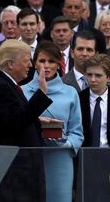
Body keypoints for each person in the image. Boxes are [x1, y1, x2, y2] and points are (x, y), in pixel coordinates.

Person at [0, 39, 53, 202]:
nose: (31, 66)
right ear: (11, 64)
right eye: (26, 61)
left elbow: (11, 118)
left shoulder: (5, 84)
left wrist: (37, 121)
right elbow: (16, 122)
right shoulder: (0, 87)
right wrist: (41, 93)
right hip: (11, 173)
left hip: (16, 171)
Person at [22, 41, 83, 202]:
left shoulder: (71, 93)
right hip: (30, 158)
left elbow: (77, 132)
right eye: (42, 61)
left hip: (60, 160)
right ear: (34, 63)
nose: (46, 66)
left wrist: (65, 143)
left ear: (59, 63)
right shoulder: (21, 91)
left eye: (51, 61)